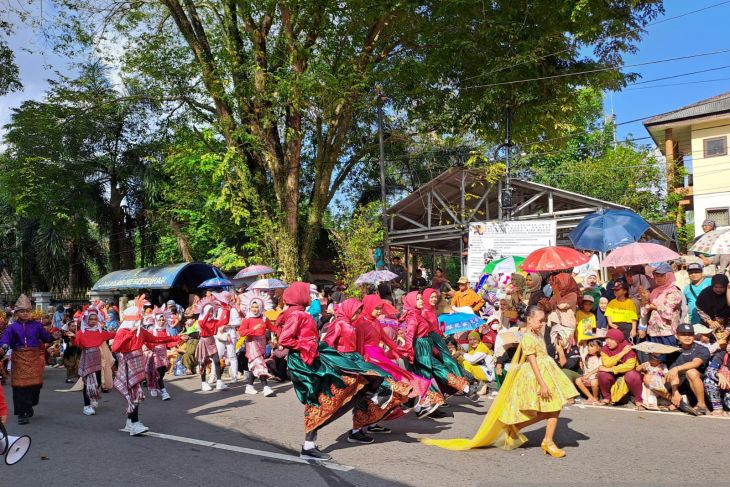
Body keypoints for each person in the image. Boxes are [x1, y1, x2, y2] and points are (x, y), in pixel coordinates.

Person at [422, 306, 578, 457]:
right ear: (529, 320)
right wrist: (542, 384)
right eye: (539, 320)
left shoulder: (537, 334)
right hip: (538, 375)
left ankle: (535, 436)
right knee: (549, 408)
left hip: (547, 371)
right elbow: (533, 362)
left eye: (543, 320)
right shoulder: (529, 338)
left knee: (552, 408)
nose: (542, 323)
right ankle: (542, 439)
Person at [277, 282, 399, 461]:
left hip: (309, 357)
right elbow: (285, 339)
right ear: (299, 296)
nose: (313, 296)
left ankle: (310, 445)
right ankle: (308, 448)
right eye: (309, 293)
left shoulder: (299, 314)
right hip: (305, 361)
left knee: (330, 394)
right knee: (319, 399)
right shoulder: (298, 315)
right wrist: (307, 345)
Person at [356, 294, 441, 419]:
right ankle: (415, 408)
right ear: (368, 306)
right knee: (393, 384)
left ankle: (417, 408)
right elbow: (359, 346)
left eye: (380, 308)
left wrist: (403, 350)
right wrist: (362, 362)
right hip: (370, 359)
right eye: (377, 308)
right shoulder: (360, 323)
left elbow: (388, 341)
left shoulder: (376, 322)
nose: (379, 311)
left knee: (404, 379)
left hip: (380, 356)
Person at [112, 298, 180, 435]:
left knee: (134, 394)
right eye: (139, 318)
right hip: (128, 364)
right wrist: (129, 334)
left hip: (138, 364)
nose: (141, 320)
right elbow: (115, 347)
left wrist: (175, 338)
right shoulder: (123, 331)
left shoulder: (141, 331)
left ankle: (130, 422)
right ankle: (134, 423)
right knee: (135, 394)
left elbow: (156, 339)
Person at [401, 291, 476, 400]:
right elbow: (409, 335)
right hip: (420, 347)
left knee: (435, 371)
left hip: (426, 346)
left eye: (421, 298)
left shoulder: (418, 314)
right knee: (430, 373)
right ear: (411, 301)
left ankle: (463, 388)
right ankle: (463, 389)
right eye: (417, 299)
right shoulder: (413, 317)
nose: (421, 301)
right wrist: (408, 351)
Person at [0, 295, 60, 424]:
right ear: (17, 313)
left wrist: (54, 336)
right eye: (22, 311)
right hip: (19, 358)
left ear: (30, 312)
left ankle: (29, 405)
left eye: (27, 311)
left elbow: (46, 338)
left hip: (34, 358)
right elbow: (5, 340)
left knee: (35, 385)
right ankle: (22, 414)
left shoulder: (37, 326)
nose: (25, 313)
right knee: (20, 387)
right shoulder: (11, 328)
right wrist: (3, 347)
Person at [656, 323, 710, 415]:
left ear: (694, 335)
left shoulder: (702, 349)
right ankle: (676, 401)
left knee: (691, 372)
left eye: (690, 334)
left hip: (695, 383)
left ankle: (701, 405)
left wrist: (677, 368)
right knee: (649, 377)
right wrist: (675, 391)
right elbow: (671, 372)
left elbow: (695, 363)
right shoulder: (672, 349)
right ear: (677, 335)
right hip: (676, 382)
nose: (687, 337)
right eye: (683, 334)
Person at [73, 307, 116, 416]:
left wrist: (125, 329)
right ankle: (86, 406)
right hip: (87, 359)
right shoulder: (80, 333)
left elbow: (112, 335)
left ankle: (93, 396)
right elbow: (76, 343)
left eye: (95, 319)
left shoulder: (100, 332)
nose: (93, 321)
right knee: (87, 383)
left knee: (97, 381)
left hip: (97, 360)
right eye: (91, 319)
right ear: (86, 319)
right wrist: (71, 337)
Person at [237, 297, 277, 397]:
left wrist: (281, 328)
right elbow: (241, 332)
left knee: (254, 365)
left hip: (262, 344)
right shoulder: (247, 319)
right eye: (253, 307)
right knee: (259, 364)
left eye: (257, 307)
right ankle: (265, 387)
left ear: (260, 307)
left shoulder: (264, 318)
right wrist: (253, 329)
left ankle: (249, 386)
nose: (255, 309)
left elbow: (272, 328)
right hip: (252, 343)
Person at [597, 329, 644, 409]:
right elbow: (607, 363)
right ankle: (607, 398)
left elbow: (629, 366)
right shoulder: (605, 349)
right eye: (607, 339)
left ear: (618, 339)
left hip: (628, 375)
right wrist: (622, 353)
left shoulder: (628, 348)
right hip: (614, 375)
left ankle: (638, 400)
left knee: (632, 375)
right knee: (602, 374)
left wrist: (610, 369)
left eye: (611, 339)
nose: (608, 341)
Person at [640, 262, 682, 347]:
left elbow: (668, 311)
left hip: (667, 332)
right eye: (657, 275)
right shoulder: (655, 291)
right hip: (653, 332)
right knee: (655, 358)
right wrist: (644, 299)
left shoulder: (674, 292)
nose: (659, 278)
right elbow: (646, 309)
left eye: (662, 276)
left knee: (668, 358)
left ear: (669, 276)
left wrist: (653, 307)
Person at [196, 293, 230, 392]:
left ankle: (219, 382)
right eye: (209, 311)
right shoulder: (201, 321)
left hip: (212, 341)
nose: (211, 313)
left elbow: (225, 321)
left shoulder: (214, 321)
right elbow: (202, 324)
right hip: (204, 341)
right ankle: (203, 383)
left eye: (212, 311)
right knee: (202, 362)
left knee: (216, 360)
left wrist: (226, 309)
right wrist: (207, 313)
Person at [148, 311, 175, 401]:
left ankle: (155, 385)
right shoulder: (152, 331)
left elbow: (170, 343)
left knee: (162, 372)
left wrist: (179, 339)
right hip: (155, 354)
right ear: (156, 320)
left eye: (163, 319)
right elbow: (147, 342)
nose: (162, 321)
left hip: (164, 355)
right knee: (158, 372)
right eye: (159, 319)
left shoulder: (167, 331)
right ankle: (164, 392)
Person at [704, 339, 730, 416]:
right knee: (708, 381)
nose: (729, 347)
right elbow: (709, 370)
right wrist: (718, 375)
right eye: (729, 343)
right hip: (724, 388)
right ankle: (718, 409)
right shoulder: (722, 355)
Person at [574, 340, 602, 405]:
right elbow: (581, 350)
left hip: (596, 378)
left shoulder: (600, 357)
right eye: (588, 346)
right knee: (578, 380)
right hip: (588, 378)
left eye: (592, 346)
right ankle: (590, 397)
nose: (589, 348)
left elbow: (599, 367)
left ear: (598, 348)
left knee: (594, 382)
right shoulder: (586, 356)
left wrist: (589, 374)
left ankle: (596, 398)